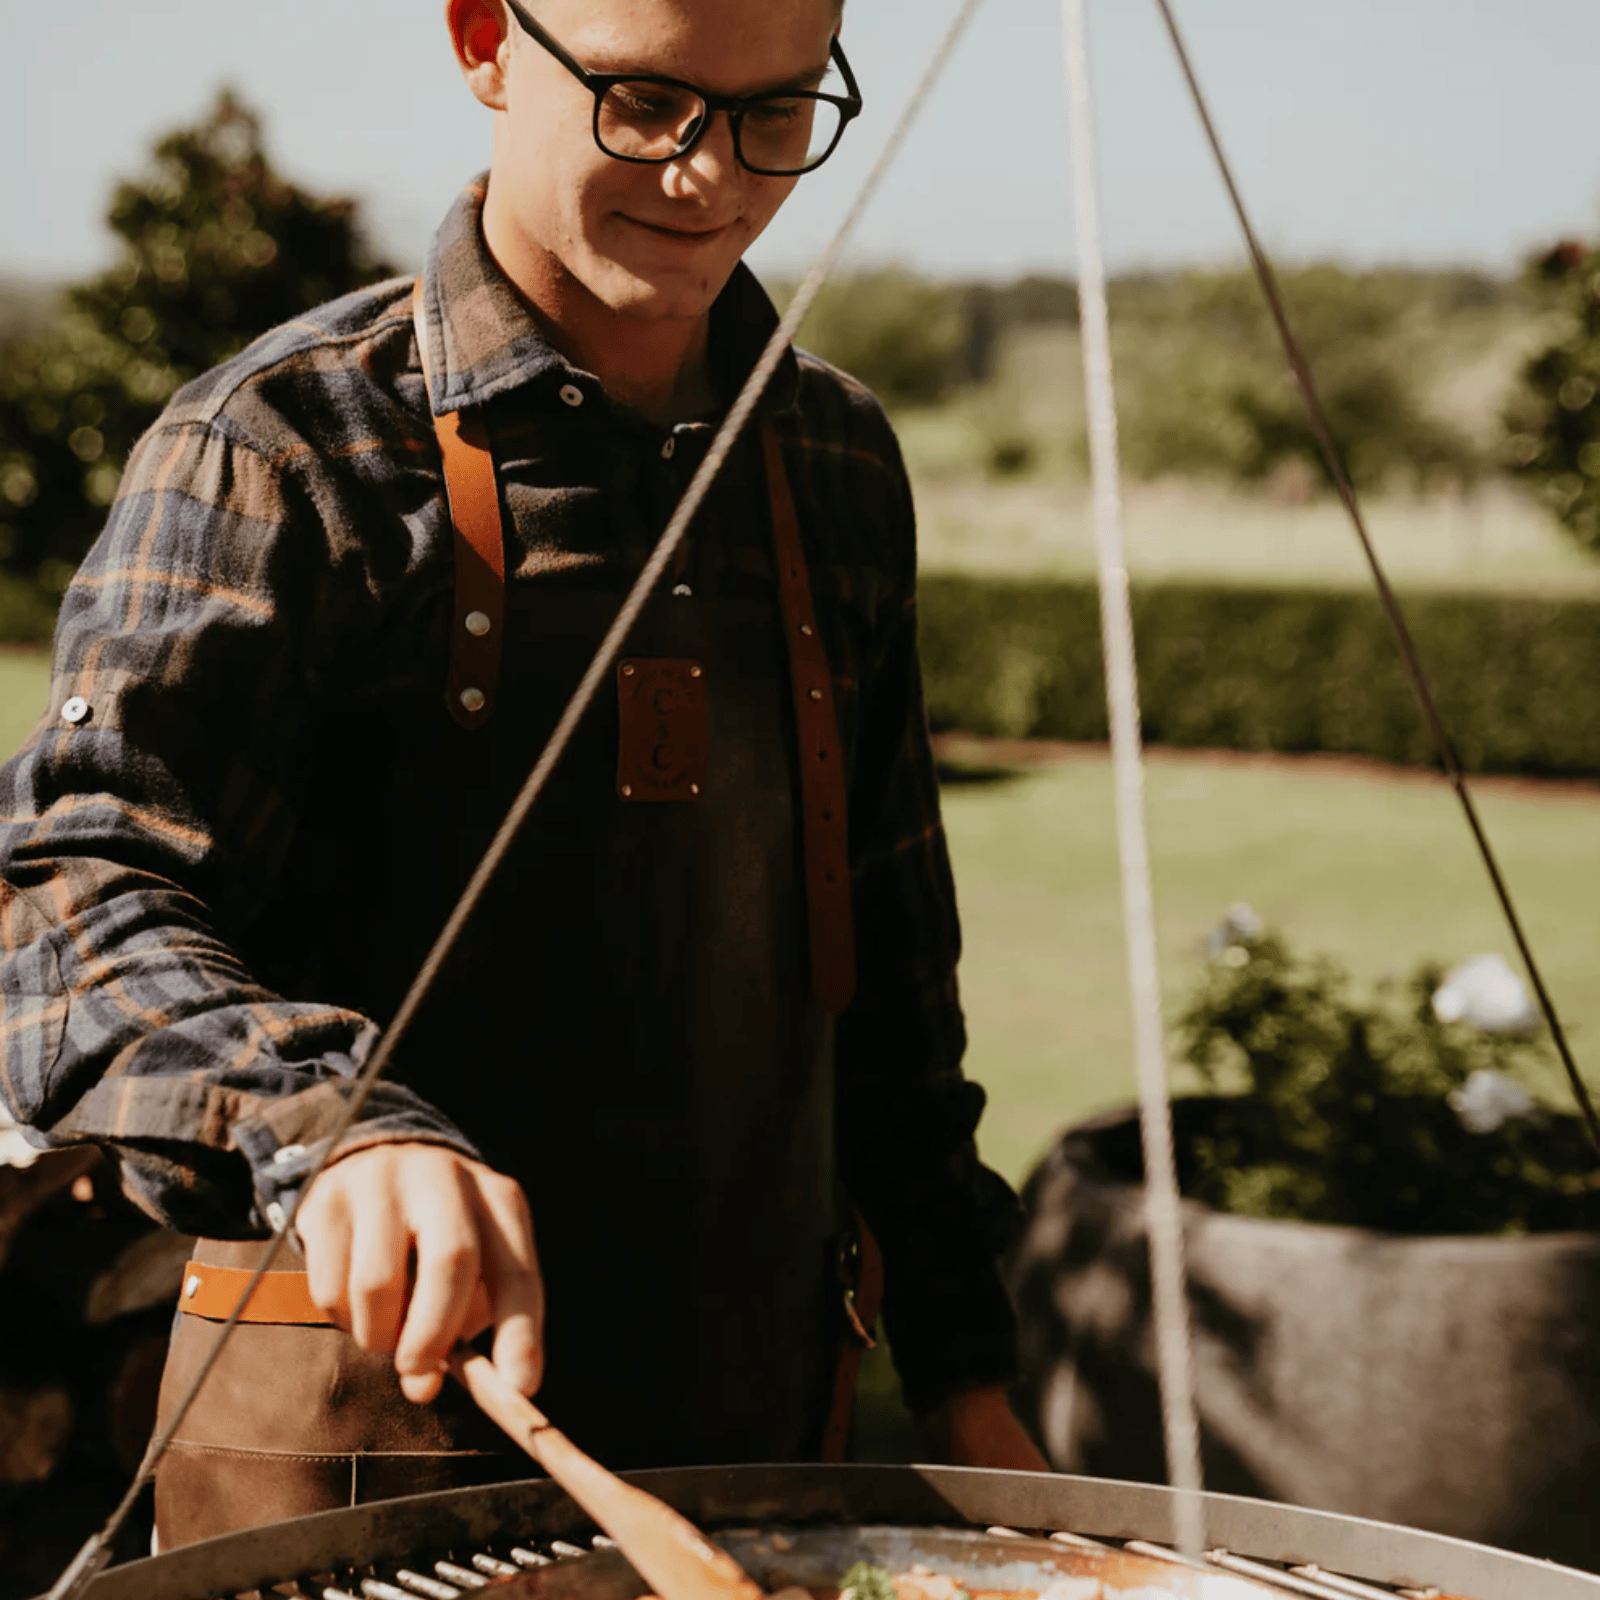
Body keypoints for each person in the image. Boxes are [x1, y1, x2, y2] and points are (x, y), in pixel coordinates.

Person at [0, 0, 1047, 1547]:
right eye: (645, 101)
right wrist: (334, 1123)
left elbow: (891, 985)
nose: (709, 176)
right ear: (487, 40)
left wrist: (968, 1381)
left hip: (761, 1436)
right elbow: (72, 892)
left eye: (774, 113)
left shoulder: (834, 453)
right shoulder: (283, 444)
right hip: (352, 1464)